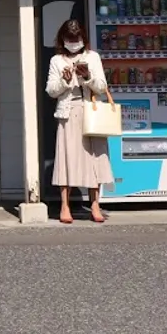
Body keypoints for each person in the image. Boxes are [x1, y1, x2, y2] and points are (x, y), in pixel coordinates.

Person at [46, 17, 112, 224]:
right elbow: (51, 90)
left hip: (91, 112)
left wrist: (87, 77)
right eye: (70, 38)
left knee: (95, 158)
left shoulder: (93, 57)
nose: (74, 42)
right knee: (67, 158)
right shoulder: (56, 60)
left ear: (83, 37)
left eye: (77, 37)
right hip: (68, 111)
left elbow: (102, 87)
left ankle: (95, 204)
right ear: (62, 39)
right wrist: (65, 81)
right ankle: (65, 205)